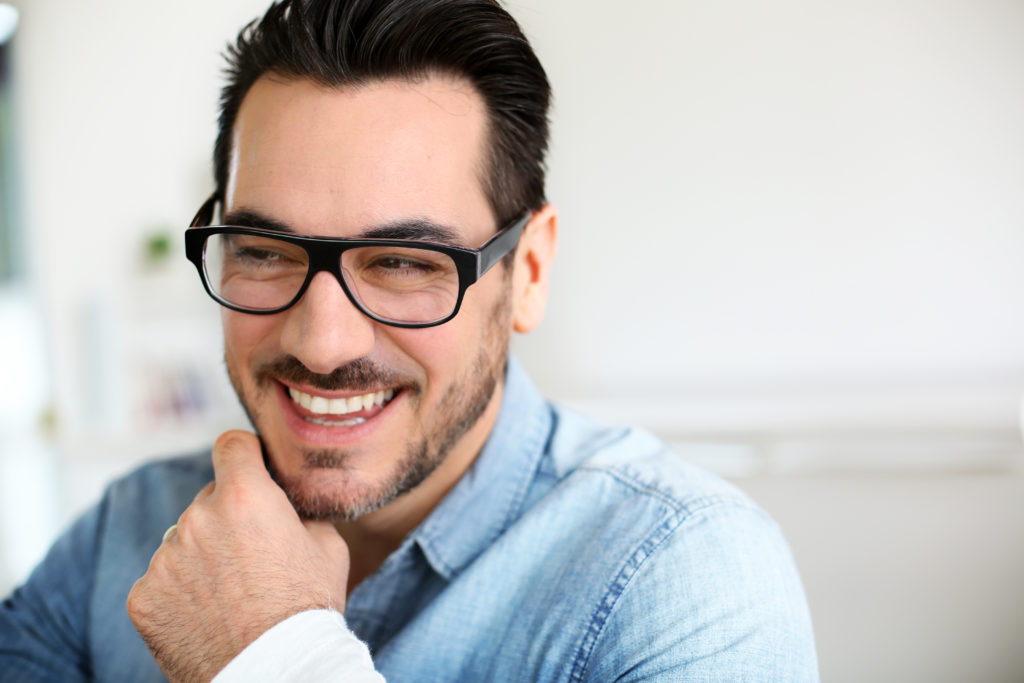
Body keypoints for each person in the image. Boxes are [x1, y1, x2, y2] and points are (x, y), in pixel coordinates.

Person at [0, 0, 818, 680]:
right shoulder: (131, 528)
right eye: (264, 251)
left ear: (527, 271)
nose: (321, 342)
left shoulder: (685, 576)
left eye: (401, 262)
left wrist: (269, 655)